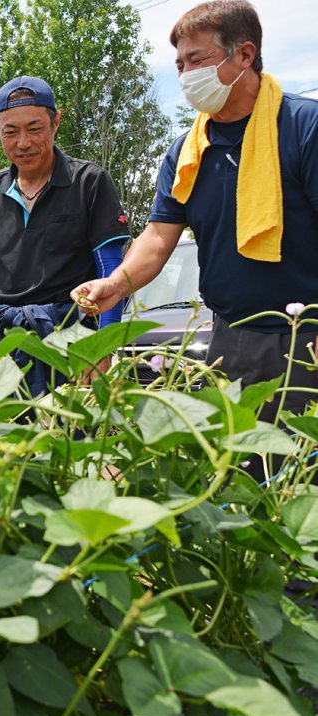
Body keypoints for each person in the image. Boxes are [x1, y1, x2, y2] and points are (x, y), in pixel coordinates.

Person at [70, 0, 318, 419]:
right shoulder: (188, 150)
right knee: (236, 471)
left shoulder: (303, 127)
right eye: (180, 64)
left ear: (244, 54)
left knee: (296, 475)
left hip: (304, 339)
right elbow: (158, 235)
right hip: (228, 337)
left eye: (196, 59)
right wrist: (116, 284)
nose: (185, 75)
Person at [0, 76, 130, 395]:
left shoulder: (89, 182)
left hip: (72, 341)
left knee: (72, 439)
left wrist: (103, 349)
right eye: (10, 131)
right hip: (4, 343)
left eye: (35, 128)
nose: (23, 142)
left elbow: (110, 269)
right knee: (8, 439)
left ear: (55, 123)